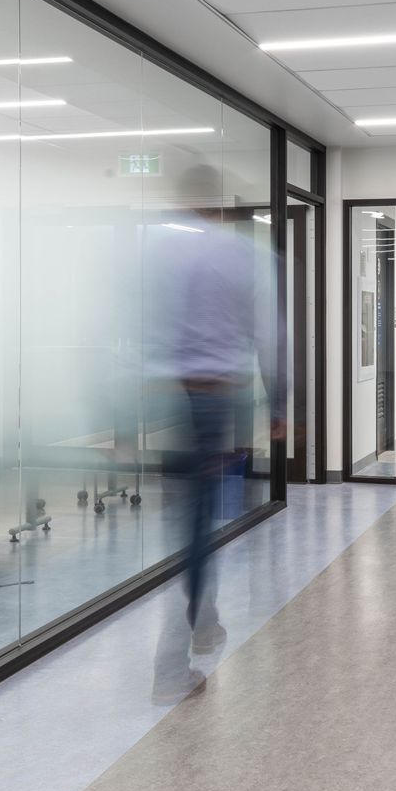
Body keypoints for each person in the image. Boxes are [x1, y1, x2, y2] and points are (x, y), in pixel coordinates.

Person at [146, 165, 280, 670]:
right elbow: (271, 335)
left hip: (164, 396)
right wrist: (282, 403)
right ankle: (186, 637)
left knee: (182, 514)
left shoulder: (154, 251)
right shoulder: (241, 254)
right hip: (214, 398)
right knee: (201, 517)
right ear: (219, 203)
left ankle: (199, 619)